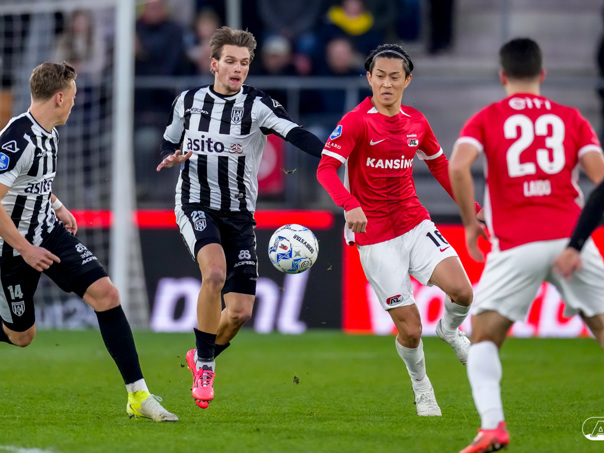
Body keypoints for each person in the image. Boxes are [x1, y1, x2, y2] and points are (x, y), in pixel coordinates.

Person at [449, 38, 604, 453]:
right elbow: (601, 181)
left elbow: (458, 166)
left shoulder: (486, 118)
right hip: (572, 240)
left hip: (516, 244)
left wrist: (469, 224)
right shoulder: (571, 118)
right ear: (542, 74)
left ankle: (493, 427)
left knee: (484, 337)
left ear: (502, 76)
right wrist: (576, 242)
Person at [156, 26, 324, 409]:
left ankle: (201, 354)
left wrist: (335, 155)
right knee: (214, 274)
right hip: (195, 202)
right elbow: (169, 140)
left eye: (244, 63)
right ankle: (205, 367)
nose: (238, 69)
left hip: (240, 214)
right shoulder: (188, 101)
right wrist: (170, 156)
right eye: (230, 61)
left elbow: (296, 133)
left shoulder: (258, 105)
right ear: (214, 64)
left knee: (239, 313)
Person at [0, 62, 177, 422]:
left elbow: (32, 184)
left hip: (48, 233)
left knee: (106, 294)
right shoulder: (17, 141)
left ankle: (138, 395)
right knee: (22, 337)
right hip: (13, 248)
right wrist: (25, 248)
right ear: (59, 97)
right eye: (73, 96)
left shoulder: (49, 133)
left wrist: (57, 206)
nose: (74, 103)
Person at [316, 43, 479, 416]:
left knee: (463, 292)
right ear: (369, 78)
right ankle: (422, 387)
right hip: (375, 237)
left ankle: (450, 330)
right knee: (411, 330)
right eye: (379, 77)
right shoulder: (356, 121)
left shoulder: (416, 122)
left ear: (407, 80)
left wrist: (473, 210)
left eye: (394, 77)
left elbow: (440, 166)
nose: (386, 84)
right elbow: (325, 170)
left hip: (414, 221)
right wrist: (349, 203)